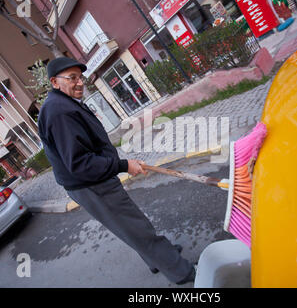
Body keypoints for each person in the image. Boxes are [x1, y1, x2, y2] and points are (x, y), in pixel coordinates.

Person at [38, 57, 196, 285]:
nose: (79, 82)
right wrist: (123, 165)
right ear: (54, 82)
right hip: (91, 185)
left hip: (91, 181)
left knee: (129, 224)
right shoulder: (59, 111)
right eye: (72, 78)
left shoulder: (62, 103)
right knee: (136, 226)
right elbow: (80, 163)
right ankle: (182, 271)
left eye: (80, 77)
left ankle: (158, 259)